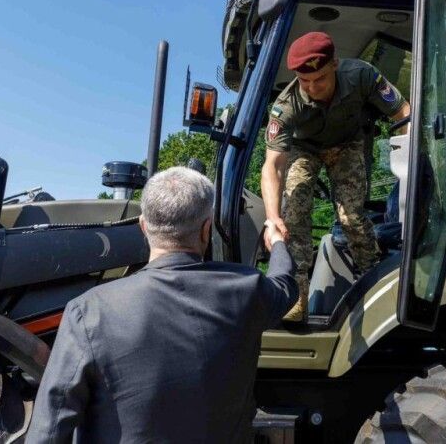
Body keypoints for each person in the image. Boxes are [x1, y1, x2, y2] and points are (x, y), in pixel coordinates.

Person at [26, 166, 297, 443]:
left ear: (143, 226)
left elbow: (49, 430)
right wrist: (276, 243)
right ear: (206, 229)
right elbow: (285, 283)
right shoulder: (249, 290)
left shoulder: (89, 312)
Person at [261, 31, 411, 322]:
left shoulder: (361, 75)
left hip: (348, 145)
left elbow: (403, 112)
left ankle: (374, 278)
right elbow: (272, 166)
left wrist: (410, 162)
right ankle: (296, 298)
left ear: (334, 65)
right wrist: (272, 217)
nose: (312, 88)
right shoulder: (286, 105)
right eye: (305, 82)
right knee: (293, 214)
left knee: (351, 217)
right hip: (305, 150)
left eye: (319, 79)